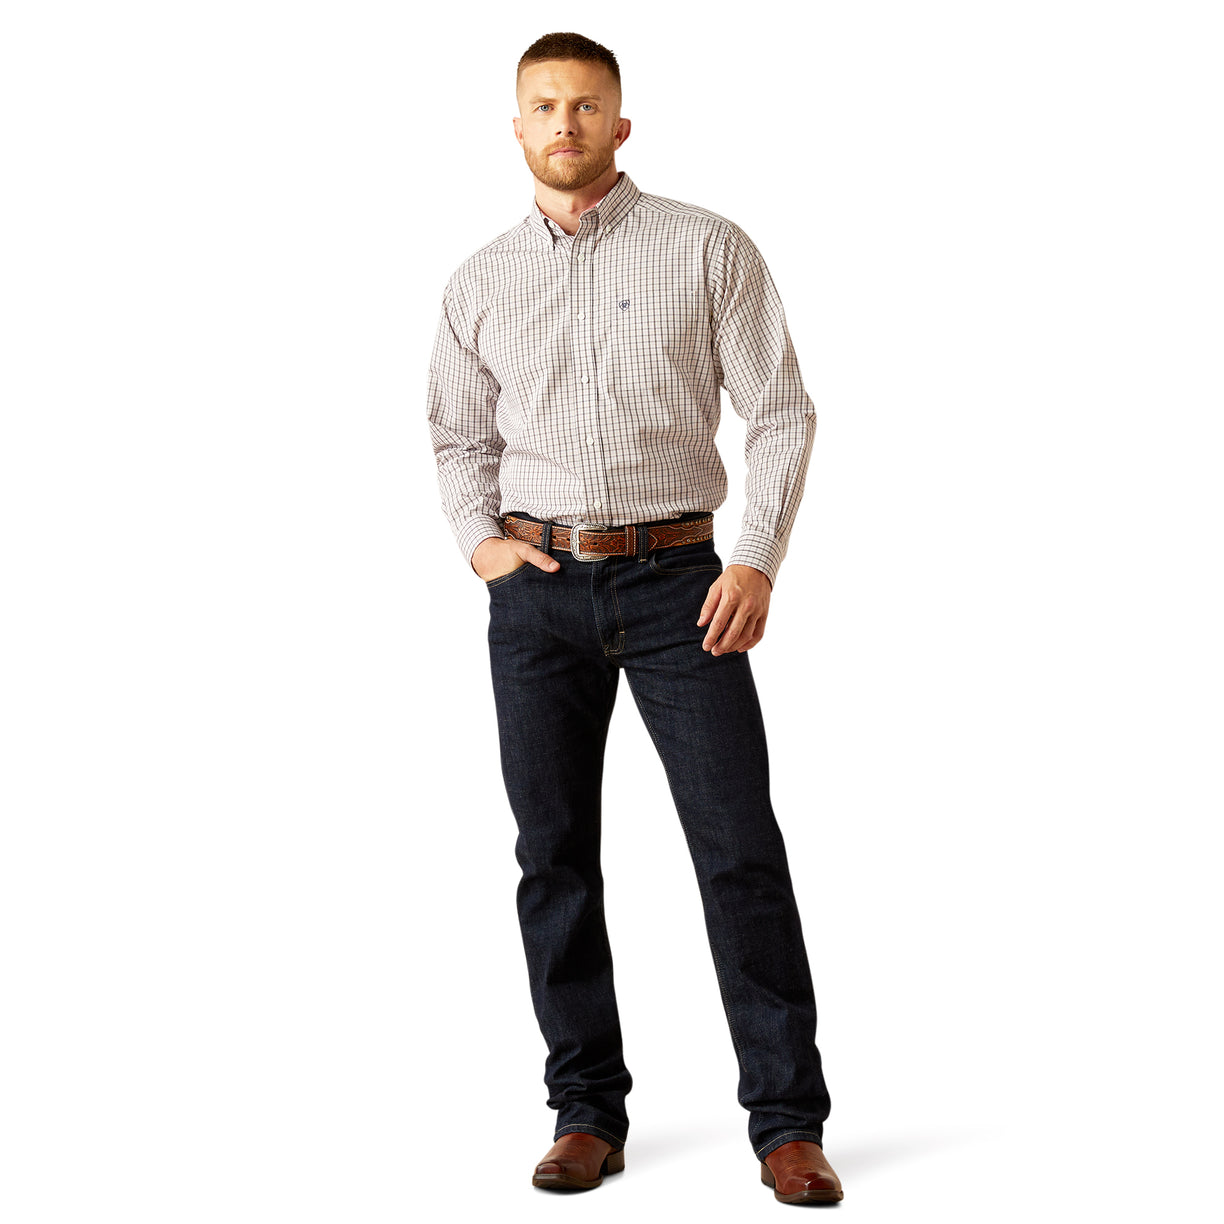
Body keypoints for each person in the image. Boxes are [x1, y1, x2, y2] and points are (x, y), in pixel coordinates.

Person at [426, 31, 843, 1205]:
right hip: (537, 594)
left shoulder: (706, 247)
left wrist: (755, 560)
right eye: (544, 106)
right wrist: (482, 546)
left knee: (738, 850)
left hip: (681, 587)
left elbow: (782, 411)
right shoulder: (478, 281)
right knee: (552, 856)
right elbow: (456, 433)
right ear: (517, 127)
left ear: (621, 122)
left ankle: (788, 1123)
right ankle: (584, 1112)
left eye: (585, 105)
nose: (565, 123)